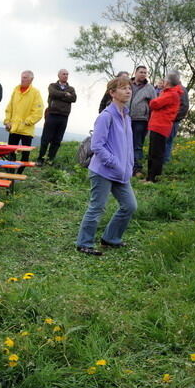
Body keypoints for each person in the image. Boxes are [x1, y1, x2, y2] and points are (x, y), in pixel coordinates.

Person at [75, 76, 137, 256]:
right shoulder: (106, 116)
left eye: (129, 88)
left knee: (130, 206)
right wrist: (114, 162)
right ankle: (84, 243)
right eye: (123, 88)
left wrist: (129, 165)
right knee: (97, 207)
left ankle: (110, 238)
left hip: (121, 173)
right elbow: (96, 146)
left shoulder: (126, 116)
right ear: (112, 93)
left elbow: (128, 145)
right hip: (102, 171)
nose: (128, 91)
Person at [3, 70, 44, 171]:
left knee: (25, 155)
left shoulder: (35, 93)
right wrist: (7, 121)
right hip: (14, 128)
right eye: (22, 77)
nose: (22, 79)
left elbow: (38, 111)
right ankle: (10, 173)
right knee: (10, 152)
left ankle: (19, 174)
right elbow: (10, 107)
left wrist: (28, 122)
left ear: (31, 79)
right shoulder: (15, 90)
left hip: (26, 130)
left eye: (25, 77)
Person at [146, 72, 183, 182]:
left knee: (156, 154)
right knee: (152, 152)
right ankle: (149, 177)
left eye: (165, 79)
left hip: (161, 125)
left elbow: (154, 104)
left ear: (168, 82)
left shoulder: (171, 94)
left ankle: (153, 179)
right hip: (157, 125)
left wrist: (152, 100)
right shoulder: (168, 93)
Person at [36, 69, 77, 165]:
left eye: (67, 74)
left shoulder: (71, 89)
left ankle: (50, 159)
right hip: (52, 114)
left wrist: (62, 96)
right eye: (64, 74)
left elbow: (74, 98)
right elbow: (53, 93)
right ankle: (40, 159)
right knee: (46, 138)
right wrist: (65, 95)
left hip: (64, 116)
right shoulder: (52, 86)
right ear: (58, 75)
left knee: (57, 139)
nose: (66, 76)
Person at [128, 65, 156, 176]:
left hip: (140, 120)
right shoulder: (127, 84)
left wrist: (150, 120)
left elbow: (154, 105)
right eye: (141, 72)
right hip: (125, 118)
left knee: (137, 145)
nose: (143, 74)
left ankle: (137, 169)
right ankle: (124, 166)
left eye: (145, 72)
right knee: (124, 143)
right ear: (135, 72)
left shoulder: (149, 88)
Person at [164, 82, 189, 163]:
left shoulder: (181, 90)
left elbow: (184, 106)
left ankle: (165, 162)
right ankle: (163, 162)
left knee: (168, 141)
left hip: (173, 121)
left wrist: (173, 117)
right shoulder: (171, 89)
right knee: (165, 141)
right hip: (166, 119)